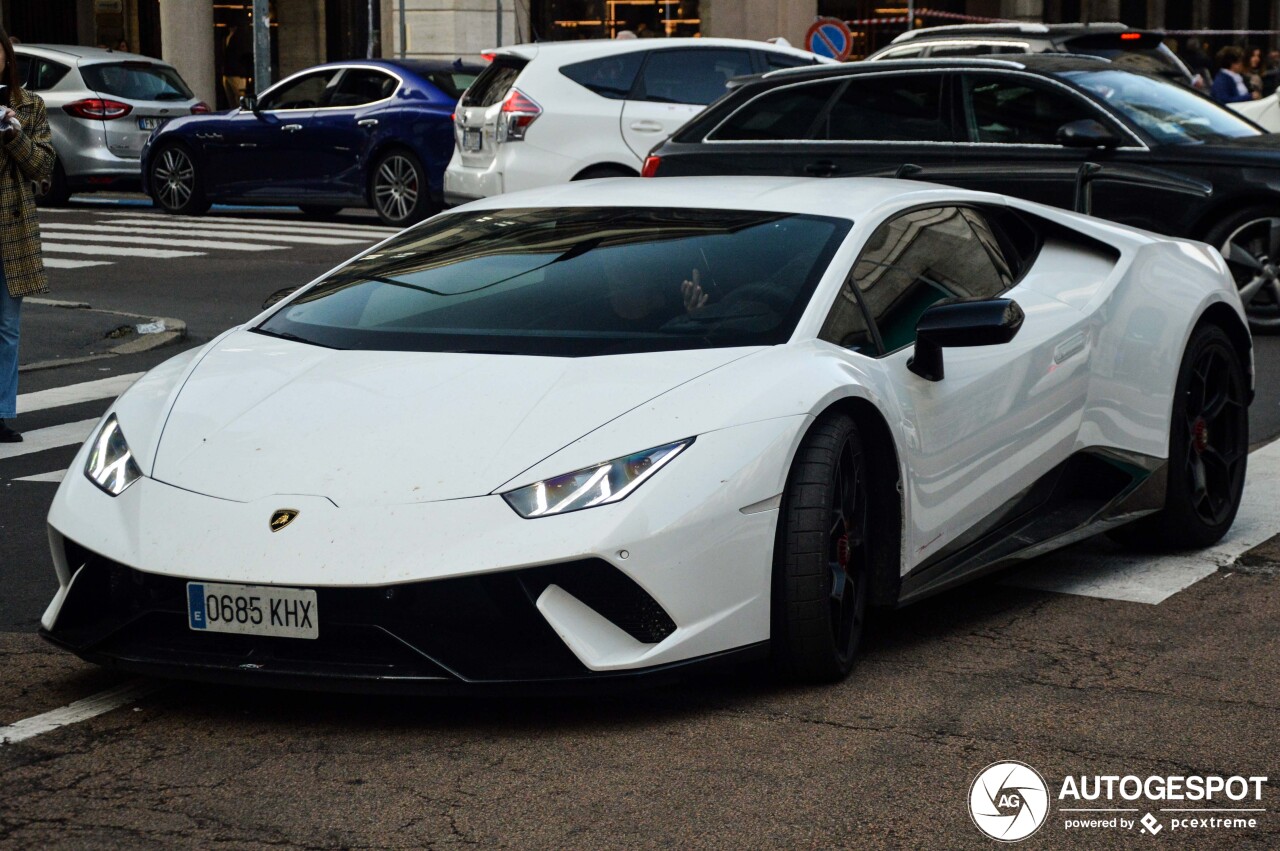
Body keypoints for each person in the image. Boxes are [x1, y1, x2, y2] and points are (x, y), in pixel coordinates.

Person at [0, 23, 56, 442]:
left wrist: (15, 135)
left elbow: (42, 167)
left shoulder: (31, 106)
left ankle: (0, 413)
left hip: (11, 229)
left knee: (6, 327)